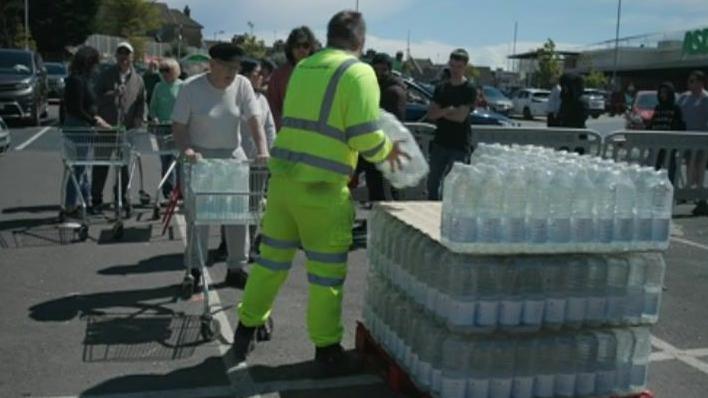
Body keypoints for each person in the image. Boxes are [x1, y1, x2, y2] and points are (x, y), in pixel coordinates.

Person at [233, 10, 407, 375]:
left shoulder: (305, 68)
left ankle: (246, 329)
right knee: (326, 277)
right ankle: (327, 349)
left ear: (327, 38)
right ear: (360, 41)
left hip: (283, 184)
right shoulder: (358, 72)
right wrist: (388, 153)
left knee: (269, 264)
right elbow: (362, 134)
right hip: (324, 190)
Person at [172, 43, 270, 289]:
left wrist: (262, 150)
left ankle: (236, 268)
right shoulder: (190, 88)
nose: (232, 74)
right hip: (200, 158)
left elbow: (255, 121)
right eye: (227, 68)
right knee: (199, 217)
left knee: (237, 216)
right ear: (212, 65)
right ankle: (195, 267)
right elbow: (179, 126)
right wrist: (187, 150)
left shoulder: (242, 85)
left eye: (236, 68)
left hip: (231, 156)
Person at [91, 41, 146, 213]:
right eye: (121, 53)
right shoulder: (105, 75)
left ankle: (120, 197)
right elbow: (94, 99)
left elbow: (141, 102)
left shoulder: (138, 79)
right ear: (116, 56)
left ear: (132, 57)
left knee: (124, 166)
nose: (124, 57)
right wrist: (112, 94)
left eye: (127, 54)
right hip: (106, 129)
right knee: (101, 166)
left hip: (126, 131)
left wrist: (139, 118)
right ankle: (96, 200)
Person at [62, 46, 111, 215]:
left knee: (82, 169)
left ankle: (84, 201)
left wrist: (95, 118)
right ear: (89, 62)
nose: (97, 67)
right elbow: (75, 108)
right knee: (78, 168)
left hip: (82, 128)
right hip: (78, 130)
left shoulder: (82, 79)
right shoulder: (76, 80)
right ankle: (72, 205)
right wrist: (94, 121)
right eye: (95, 63)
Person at [353, 52, 406, 201]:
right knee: (376, 186)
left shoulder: (392, 91)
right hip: (373, 143)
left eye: (383, 69)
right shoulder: (375, 86)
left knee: (382, 190)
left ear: (389, 70)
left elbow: (392, 122)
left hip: (384, 145)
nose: (379, 73)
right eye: (376, 69)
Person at [425, 48, 477, 200]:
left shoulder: (469, 89)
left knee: (453, 184)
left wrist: (442, 112)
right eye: (452, 66)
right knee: (432, 181)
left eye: (459, 67)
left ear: (465, 67)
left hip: (459, 144)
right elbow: (431, 114)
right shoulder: (441, 88)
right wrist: (449, 110)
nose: (455, 70)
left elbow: (461, 117)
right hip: (440, 141)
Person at [266, 26, 317, 130]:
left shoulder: (320, 72)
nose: (301, 49)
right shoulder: (279, 75)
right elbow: (273, 106)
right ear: (290, 47)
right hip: (288, 133)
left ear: (311, 47)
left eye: (305, 45)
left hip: (315, 133)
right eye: (297, 45)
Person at [148, 58, 183, 199]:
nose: (164, 73)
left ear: (175, 71)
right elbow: (152, 107)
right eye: (162, 70)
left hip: (178, 128)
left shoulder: (182, 86)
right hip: (162, 128)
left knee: (178, 160)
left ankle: (180, 190)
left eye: (167, 70)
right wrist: (154, 117)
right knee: (165, 160)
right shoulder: (158, 87)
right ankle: (167, 191)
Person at [677, 71, 708, 215]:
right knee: (688, 166)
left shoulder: (705, 98)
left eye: (693, 81)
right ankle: (688, 192)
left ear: (701, 83)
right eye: (689, 81)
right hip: (685, 139)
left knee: (699, 168)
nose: (690, 84)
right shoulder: (683, 97)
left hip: (701, 140)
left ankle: (699, 195)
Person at [650, 82, 685, 184]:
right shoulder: (658, 108)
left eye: (665, 92)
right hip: (657, 141)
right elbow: (653, 123)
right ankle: (656, 185)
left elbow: (680, 125)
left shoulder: (675, 108)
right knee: (657, 165)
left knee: (671, 165)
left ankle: (672, 186)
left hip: (670, 141)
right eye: (661, 93)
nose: (662, 95)